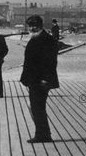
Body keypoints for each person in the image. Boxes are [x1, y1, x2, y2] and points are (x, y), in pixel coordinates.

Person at [20, 15, 59, 143]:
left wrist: (45, 79)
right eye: (30, 26)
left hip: (41, 81)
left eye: (35, 25)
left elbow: (50, 62)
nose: (32, 28)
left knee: (37, 107)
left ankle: (43, 135)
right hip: (34, 80)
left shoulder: (47, 40)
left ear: (41, 25)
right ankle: (43, 133)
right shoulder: (36, 38)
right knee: (36, 107)